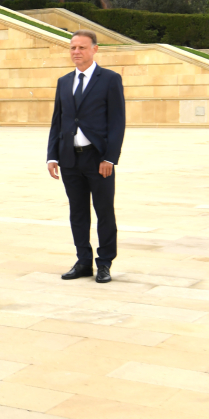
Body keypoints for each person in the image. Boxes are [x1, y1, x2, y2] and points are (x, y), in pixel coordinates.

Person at [47, 30, 126, 284]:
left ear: (95, 49)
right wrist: (52, 156)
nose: (76, 52)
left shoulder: (110, 79)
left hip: (98, 159)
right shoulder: (63, 81)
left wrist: (110, 158)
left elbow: (117, 121)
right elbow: (57, 120)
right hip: (70, 159)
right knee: (78, 213)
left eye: (82, 47)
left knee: (104, 212)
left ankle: (104, 263)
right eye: (73, 47)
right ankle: (83, 262)